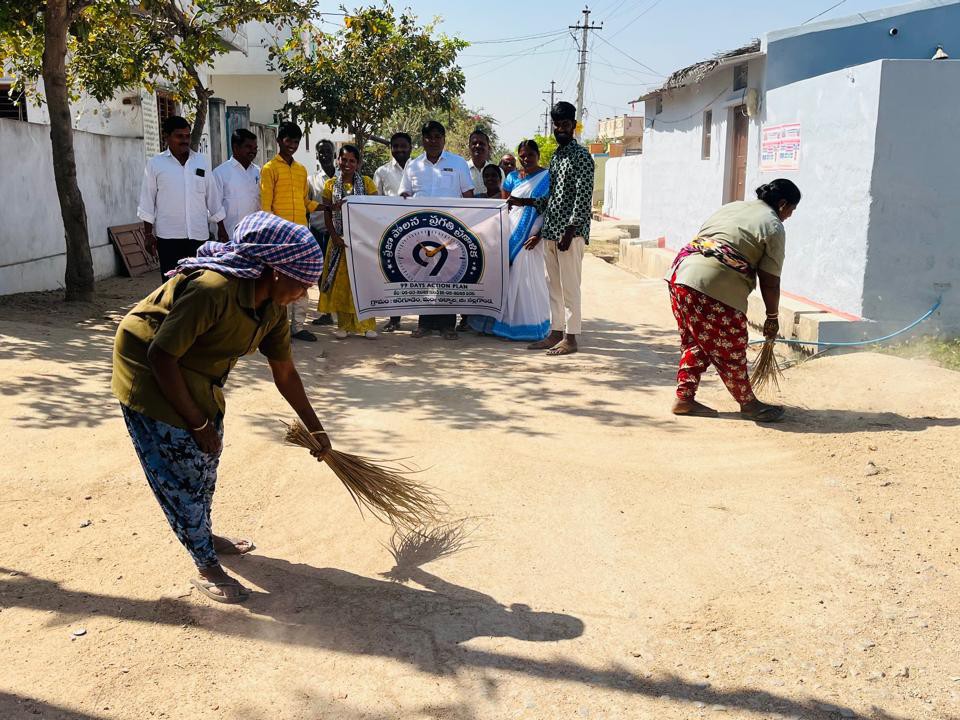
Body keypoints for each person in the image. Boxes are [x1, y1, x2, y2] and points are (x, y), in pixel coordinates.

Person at [111, 211, 330, 604]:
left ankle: (202, 532)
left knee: (206, 462)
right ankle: (205, 564)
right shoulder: (212, 290)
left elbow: (285, 374)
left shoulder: (272, 309)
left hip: (196, 372)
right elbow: (160, 355)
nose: (304, 295)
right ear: (275, 272)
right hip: (148, 367)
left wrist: (317, 430)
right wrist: (196, 424)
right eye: (301, 284)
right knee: (181, 471)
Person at [666, 179, 801, 423]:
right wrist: (772, 317)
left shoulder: (733, 206)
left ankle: (684, 398)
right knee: (732, 344)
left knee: (697, 341)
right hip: (712, 286)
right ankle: (749, 404)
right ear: (782, 204)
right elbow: (770, 281)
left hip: (680, 276)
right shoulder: (773, 225)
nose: (790, 216)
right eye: (791, 210)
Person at [508, 101, 594, 356]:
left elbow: (582, 197)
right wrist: (525, 202)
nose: (560, 129)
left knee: (570, 287)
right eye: (557, 125)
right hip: (551, 231)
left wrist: (571, 230)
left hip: (570, 234)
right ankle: (555, 333)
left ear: (574, 125)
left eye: (565, 124)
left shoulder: (582, 157)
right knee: (553, 286)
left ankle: (571, 338)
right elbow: (553, 197)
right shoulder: (556, 156)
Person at [398, 120, 474, 340]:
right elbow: (404, 195)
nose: (433, 141)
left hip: (450, 231)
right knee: (423, 274)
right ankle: (424, 324)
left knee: (448, 274)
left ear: (444, 139)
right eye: (429, 137)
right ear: (422, 140)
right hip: (421, 232)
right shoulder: (413, 165)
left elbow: (468, 196)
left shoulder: (458, 163)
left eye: (437, 137)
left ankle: (447, 325)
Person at [470, 139, 550, 341]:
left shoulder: (548, 177)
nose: (526, 159)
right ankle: (499, 323)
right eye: (522, 156)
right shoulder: (513, 177)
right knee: (507, 277)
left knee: (525, 278)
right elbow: (504, 207)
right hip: (510, 233)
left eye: (530, 155)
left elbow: (552, 210)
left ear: (538, 155)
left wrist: (539, 235)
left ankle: (526, 325)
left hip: (532, 235)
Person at [138, 116, 226, 281]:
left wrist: (221, 229)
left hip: (199, 236)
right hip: (169, 238)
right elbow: (147, 202)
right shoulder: (155, 164)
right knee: (172, 285)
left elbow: (213, 198)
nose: (185, 140)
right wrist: (148, 235)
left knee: (198, 285)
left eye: (187, 136)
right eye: (179, 136)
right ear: (167, 137)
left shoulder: (201, 162)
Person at [261, 121, 320, 342]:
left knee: (301, 282)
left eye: (296, 142)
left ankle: (298, 327)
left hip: (301, 235)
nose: (292, 146)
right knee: (279, 283)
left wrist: (326, 207)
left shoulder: (301, 170)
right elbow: (266, 207)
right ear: (279, 141)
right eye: (288, 141)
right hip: (280, 237)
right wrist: (270, 236)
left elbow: (306, 202)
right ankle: (279, 329)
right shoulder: (269, 169)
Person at [317, 144, 379, 339]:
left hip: (361, 243)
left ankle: (367, 325)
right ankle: (343, 325)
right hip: (339, 242)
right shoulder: (330, 185)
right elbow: (327, 213)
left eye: (352, 161)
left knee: (362, 283)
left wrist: (364, 237)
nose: (347, 164)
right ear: (338, 161)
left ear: (358, 163)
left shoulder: (367, 183)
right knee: (342, 285)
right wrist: (335, 237)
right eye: (344, 160)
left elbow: (374, 211)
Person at [373, 132, 413, 333]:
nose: (399, 150)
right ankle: (394, 318)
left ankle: (425, 319)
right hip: (393, 230)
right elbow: (375, 201)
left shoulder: (419, 168)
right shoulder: (382, 172)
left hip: (417, 228)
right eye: (395, 146)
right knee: (394, 273)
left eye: (403, 146)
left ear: (410, 147)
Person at [308, 139, 338, 327]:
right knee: (321, 273)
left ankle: (343, 312)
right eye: (321, 152)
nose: (325, 155)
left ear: (334, 155)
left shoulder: (345, 178)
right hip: (318, 232)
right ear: (317, 156)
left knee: (340, 272)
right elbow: (306, 205)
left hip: (341, 235)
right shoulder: (311, 180)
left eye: (328, 151)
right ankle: (326, 313)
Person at [212, 128, 260, 238]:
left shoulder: (258, 171)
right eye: (248, 147)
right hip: (230, 235)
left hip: (254, 235)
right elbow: (215, 205)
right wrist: (221, 230)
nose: (253, 151)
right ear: (236, 148)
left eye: (255, 148)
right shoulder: (220, 173)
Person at [467, 128, 495, 193]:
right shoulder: (462, 169)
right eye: (474, 143)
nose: (477, 146)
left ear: (488, 148)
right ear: (469, 147)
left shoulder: (497, 171)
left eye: (481, 143)